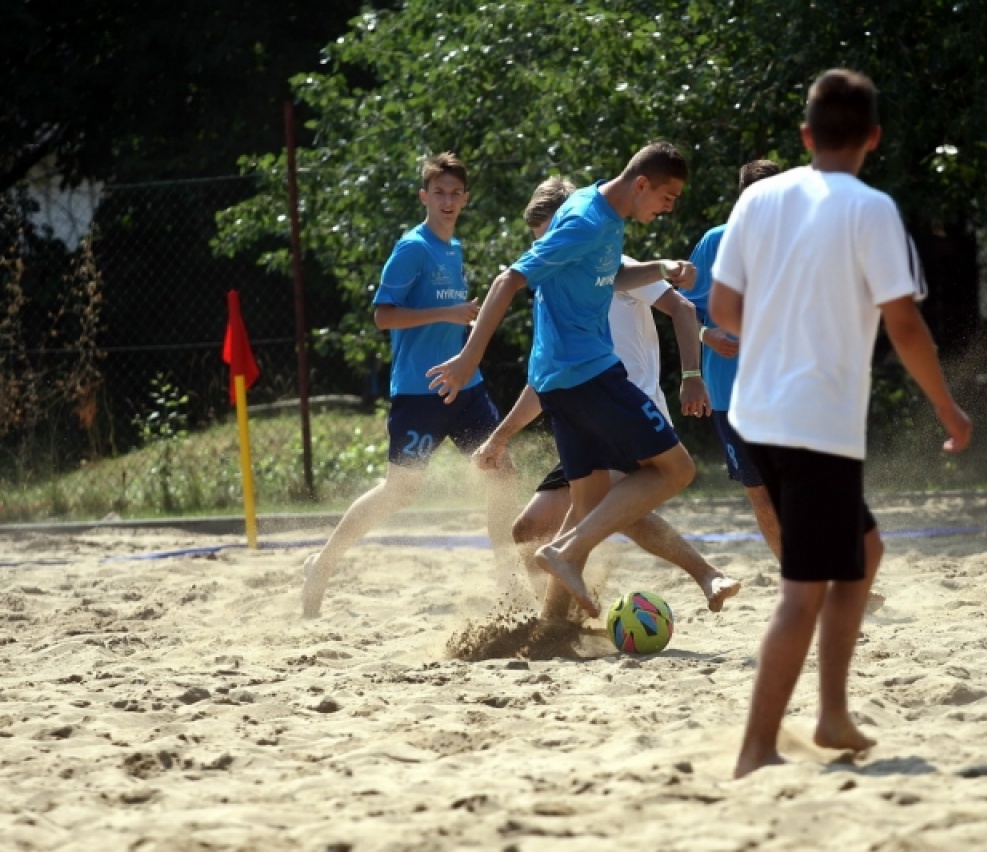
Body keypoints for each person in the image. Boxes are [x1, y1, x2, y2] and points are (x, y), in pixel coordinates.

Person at [708, 69, 972, 777]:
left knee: (866, 549)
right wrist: (947, 407)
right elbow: (906, 323)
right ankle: (756, 749)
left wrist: (782, 322)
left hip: (754, 417)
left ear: (805, 136)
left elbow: (723, 310)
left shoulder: (758, 197)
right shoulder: (871, 208)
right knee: (803, 593)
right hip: (814, 422)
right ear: (874, 138)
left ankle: (830, 714)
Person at [427, 141, 699, 622]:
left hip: (567, 384)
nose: (668, 208)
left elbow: (612, 275)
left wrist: (661, 268)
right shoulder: (584, 222)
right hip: (590, 377)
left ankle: (553, 625)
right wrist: (469, 358)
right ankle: (683, 570)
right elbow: (506, 280)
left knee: (583, 507)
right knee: (674, 474)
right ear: (641, 185)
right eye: (668, 197)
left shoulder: (600, 213)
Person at [474, 177, 740, 613]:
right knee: (533, 529)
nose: (545, 253)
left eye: (549, 238)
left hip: (625, 407)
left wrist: (693, 369)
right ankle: (560, 615)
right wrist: (501, 436)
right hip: (585, 411)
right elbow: (546, 378)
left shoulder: (610, 262)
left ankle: (558, 621)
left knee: (597, 516)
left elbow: (684, 307)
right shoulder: (553, 286)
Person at [301, 152, 517, 618]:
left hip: (465, 388)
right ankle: (322, 564)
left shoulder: (454, 248)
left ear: (465, 199)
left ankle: (509, 580)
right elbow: (383, 315)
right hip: (419, 394)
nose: (447, 200)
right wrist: (447, 313)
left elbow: (449, 317)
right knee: (400, 492)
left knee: (501, 474)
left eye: (455, 193)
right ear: (424, 196)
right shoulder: (412, 248)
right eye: (438, 192)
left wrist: (464, 319)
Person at [683, 160, 784, 559]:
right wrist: (707, 334)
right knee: (761, 496)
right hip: (729, 391)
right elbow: (682, 308)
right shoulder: (714, 243)